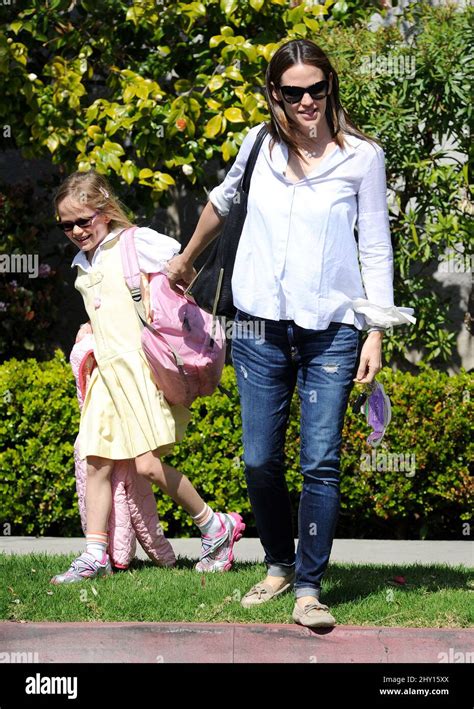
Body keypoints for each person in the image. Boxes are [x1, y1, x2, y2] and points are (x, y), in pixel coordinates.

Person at [167, 39, 412, 627]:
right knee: (258, 459)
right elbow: (221, 204)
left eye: (317, 89)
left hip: (332, 328)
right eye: (294, 91)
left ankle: (308, 586)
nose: (307, 101)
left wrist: (375, 332)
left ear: (331, 89)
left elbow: (375, 246)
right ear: (275, 92)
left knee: (321, 460)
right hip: (259, 325)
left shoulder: (362, 157)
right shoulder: (258, 144)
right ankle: (278, 563)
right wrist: (184, 262)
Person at [50, 170, 245, 584]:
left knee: (149, 467)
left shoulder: (136, 244)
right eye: (66, 225)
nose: (76, 231)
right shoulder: (82, 262)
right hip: (106, 374)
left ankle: (215, 526)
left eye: (83, 220)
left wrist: (177, 291)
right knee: (96, 460)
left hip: (140, 372)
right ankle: (94, 554)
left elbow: (187, 272)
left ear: (104, 211)